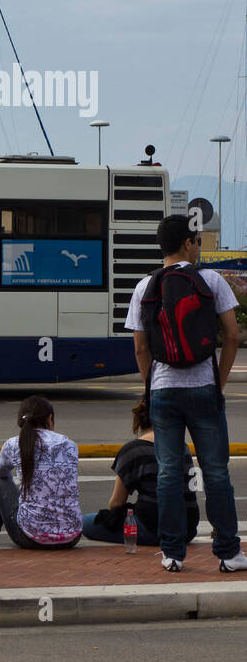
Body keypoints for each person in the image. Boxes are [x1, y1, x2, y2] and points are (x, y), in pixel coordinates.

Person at [126, 213, 246, 573]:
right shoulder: (210, 281)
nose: (197, 248)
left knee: (168, 474)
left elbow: (140, 348)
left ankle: (173, 553)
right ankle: (228, 553)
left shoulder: (145, 286)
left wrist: (152, 387)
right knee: (216, 473)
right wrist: (219, 381)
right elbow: (233, 337)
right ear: (186, 244)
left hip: (163, 392)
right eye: (196, 242)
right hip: (205, 389)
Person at [81, 400, 199, 547]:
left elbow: (117, 502)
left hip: (153, 528)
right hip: (188, 528)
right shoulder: (182, 446)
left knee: (84, 522)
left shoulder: (133, 450)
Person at [0, 395, 82, 549]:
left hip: (31, 537)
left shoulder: (13, 444)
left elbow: (0, 473)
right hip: (72, 536)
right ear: (50, 418)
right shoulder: (70, 445)